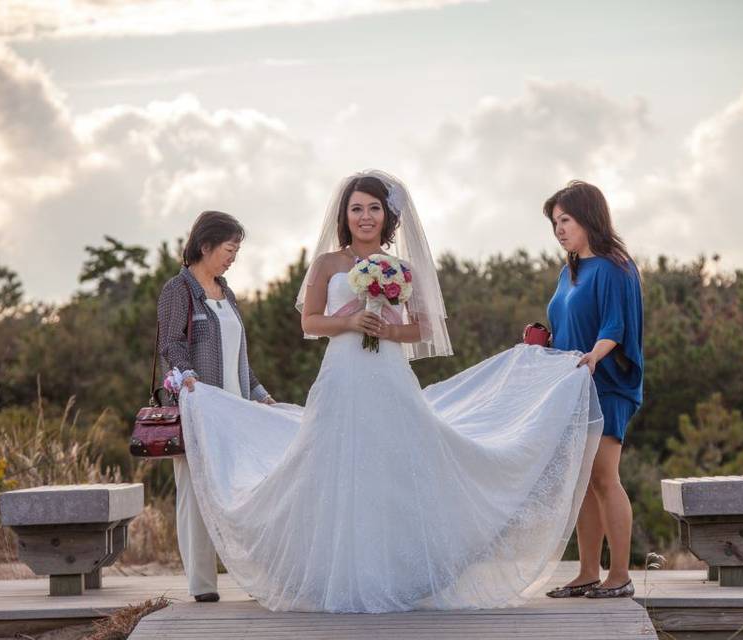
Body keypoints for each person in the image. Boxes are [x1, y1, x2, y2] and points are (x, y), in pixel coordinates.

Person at [177, 170, 603, 612]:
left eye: (374, 208)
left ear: (387, 216)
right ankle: (336, 574)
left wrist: (389, 327)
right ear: (344, 215)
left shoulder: (402, 269)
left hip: (390, 375)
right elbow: (310, 322)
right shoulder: (327, 264)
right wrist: (349, 321)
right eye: (357, 208)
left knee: (394, 466)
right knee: (335, 464)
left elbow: (421, 327)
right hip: (342, 377)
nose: (365, 217)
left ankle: (397, 574)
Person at [157, 210, 275, 603]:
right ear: (205, 245)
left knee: (245, 490)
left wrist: (258, 393)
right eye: (229, 248)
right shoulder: (179, 289)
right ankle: (203, 585)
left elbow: (238, 356)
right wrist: (187, 375)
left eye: (237, 250)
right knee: (194, 494)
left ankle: (257, 575)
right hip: (198, 409)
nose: (233, 257)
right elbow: (171, 343)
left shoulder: (228, 293)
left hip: (235, 412)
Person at [542, 181, 644, 600]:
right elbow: (565, 327)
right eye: (554, 223)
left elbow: (615, 326)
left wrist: (596, 355)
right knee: (583, 481)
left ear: (589, 217)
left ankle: (619, 575)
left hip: (606, 384)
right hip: (574, 386)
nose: (559, 229)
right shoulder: (570, 272)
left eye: (566, 219)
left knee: (604, 477)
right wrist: (542, 343)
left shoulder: (616, 266)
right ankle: (587, 572)